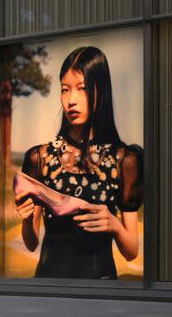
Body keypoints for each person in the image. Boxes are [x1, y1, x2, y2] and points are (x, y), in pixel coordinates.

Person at [15, 46, 143, 279]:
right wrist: (26, 219)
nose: (71, 100)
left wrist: (114, 224)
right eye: (65, 90)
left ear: (100, 91)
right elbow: (32, 242)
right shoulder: (39, 158)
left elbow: (131, 251)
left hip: (101, 289)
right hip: (49, 286)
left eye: (82, 89)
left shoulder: (124, 160)